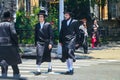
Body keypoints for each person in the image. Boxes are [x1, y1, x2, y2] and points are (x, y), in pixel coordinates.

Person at [0, 11, 21, 77]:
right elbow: (14, 34)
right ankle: (16, 74)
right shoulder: (10, 24)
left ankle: (4, 74)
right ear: (9, 18)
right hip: (10, 46)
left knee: (3, 62)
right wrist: (16, 42)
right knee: (13, 62)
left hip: (1, 46)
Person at [59, 11, 80, 75]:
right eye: (65, 15)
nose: (65, 16)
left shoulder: (75, 22)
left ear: (70, 15)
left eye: (67, 15)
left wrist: (78, 42)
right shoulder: (63, 22)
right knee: (66, 55)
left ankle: (71, 69)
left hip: (72, 40)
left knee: (69, 52)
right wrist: (60, 41)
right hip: (65, 40)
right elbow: (61, 31)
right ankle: (69, 69)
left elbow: (77, 32)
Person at [34, 10, 54, 75]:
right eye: (39, 17)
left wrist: (51, 43)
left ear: (44, 17)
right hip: (39, 43)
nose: (40, 18)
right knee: (39, 55)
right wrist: (35, 43)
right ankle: (38, 69)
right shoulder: (37, 25)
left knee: (48, 55)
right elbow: (35, 34)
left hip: (47, 42)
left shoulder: (48, 25)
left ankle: (49, 66)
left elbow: (51, 35)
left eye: (42, 17)